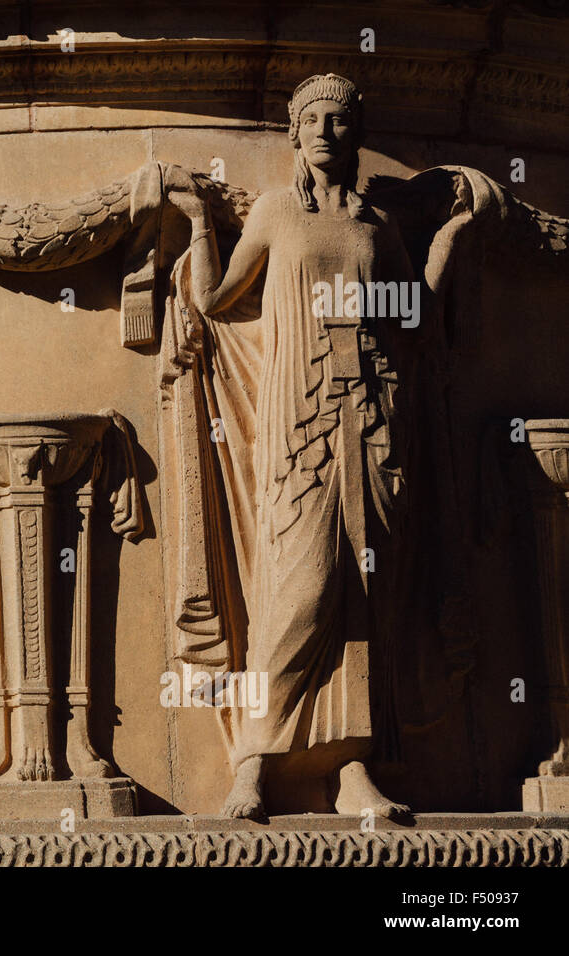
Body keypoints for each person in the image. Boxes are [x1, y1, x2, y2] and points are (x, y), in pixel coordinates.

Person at [167, 74, 414, 820]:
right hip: (300, 419)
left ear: (357, 133)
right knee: (299, 589)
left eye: (340, 121)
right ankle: (254, 759)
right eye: (313, 121)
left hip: (370, 415)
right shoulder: (277, 213)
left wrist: (455, 240)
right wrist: (198, 224)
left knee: (361, 591)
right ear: (293, 134)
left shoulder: (378, 225)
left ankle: (352, 767)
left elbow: (415, 313)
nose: (327, 133)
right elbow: (216, 301)